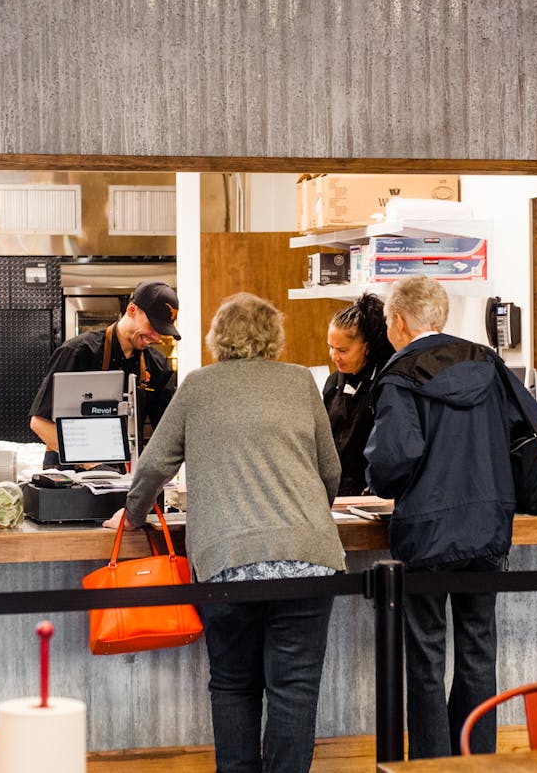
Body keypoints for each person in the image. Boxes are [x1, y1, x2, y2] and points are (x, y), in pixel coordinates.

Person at [105, 292, 345, 773]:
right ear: (273, 336)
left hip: (228, 563)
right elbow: (330, 471)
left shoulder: (198, 386)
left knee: (234, 684)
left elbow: (154, 467)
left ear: (219, 338)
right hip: (309, 559)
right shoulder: (300, 381)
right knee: (294, 688)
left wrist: (131, 516)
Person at [363, 275, 537, 759]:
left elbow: (395, 456)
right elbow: (532, 426)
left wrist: (378, 482)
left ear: (399, 321)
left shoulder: (400, 373)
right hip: (488, 529)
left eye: (388, 323)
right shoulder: (488, 362)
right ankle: (476, 758)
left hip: (426, 533)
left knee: (425, 656)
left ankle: (431, 765)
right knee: (478, 652)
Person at [28, 281, 179, 468]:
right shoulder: (78, 352)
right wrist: (91, 463)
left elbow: (166, 436)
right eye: (153, 326)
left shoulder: (158, 367)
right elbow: (39, 423)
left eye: (162, 331)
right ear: (132, 310)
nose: (156, 337)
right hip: (69, 481)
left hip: (124, 477)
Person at [323, 292, 396, 496]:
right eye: (331, 348)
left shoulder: (386, 383)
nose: (334, 357)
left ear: (366, 348)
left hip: (372, 491)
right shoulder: (332, 383)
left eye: (342, 350)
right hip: (336, 491)